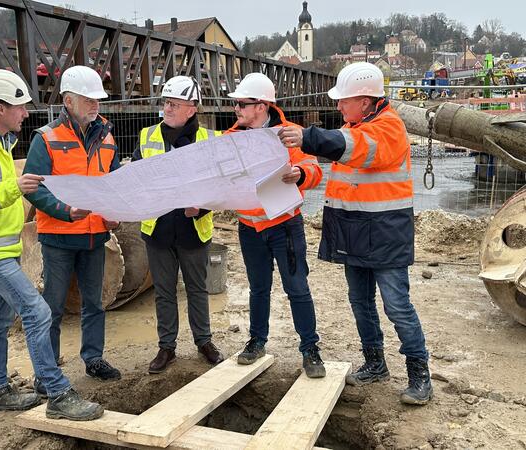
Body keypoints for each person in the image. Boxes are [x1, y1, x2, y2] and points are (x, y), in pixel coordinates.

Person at [0, 69, 103, 420]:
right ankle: (57, 393)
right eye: (19, 106)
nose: (25, 113)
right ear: (0, 108)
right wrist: (14, 188)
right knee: (38, 311)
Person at [278, 62, 433, 404]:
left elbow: (356, 147)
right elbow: (346, 156)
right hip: (354, 230)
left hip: (385, 231)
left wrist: (308, 136)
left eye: (343, 100)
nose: (338, 106)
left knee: (397, 306)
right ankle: (375, 362)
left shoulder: (388, 127)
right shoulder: (355, 124)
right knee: (360, 301)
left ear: (364, 100)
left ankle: (419, 374)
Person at [24, 66, 121, 389]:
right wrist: (65, 212)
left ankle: (93, 358)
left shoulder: (107, 136)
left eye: (98, 100)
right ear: (68, 100)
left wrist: (114, 212)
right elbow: (34, 188)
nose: (95, 105)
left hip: (95, 235)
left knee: (94, 303)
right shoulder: (46, 138)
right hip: (59, 238)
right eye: (88, 99)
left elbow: (114, 182)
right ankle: (46, 371)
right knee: (51, 308)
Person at [225, 73, 326, 378]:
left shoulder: (290, 134)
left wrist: (300, 173)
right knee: (258, 288)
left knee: (297, 288)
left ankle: (310, 349)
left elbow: (314, 169)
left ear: (261, 105)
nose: (237, 109)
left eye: (243, 103)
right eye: (237, 104)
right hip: (249, 227)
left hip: (285, 226)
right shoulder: (232, 138)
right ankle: (257, 341)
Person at [132, 75, 224, 374]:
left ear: (191, 108)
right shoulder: (147, 137)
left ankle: (204, 341)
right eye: (165, 103)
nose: (167, 109)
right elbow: (133, 178)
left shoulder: (210, 141)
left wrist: (202, 207)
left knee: (197, 289)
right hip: (158, 230)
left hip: (192, 229)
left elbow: (223, 186)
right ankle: (166, 347)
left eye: (174, 104)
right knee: (164, 291)